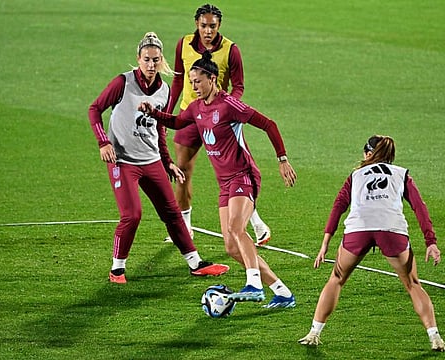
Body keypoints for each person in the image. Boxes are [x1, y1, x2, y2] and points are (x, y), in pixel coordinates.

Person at [138, 51, 297, 307]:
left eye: (198, 82)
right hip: (224, 183)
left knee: (237, 229)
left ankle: (254, 284)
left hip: (243, 176)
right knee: (232, 248)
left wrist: (282, 159)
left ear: (212, 79)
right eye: (191, 83)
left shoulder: (229, 105)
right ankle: (282, 292)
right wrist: (154, 113)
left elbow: (269, 124)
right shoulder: (196, 108)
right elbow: (178, 122)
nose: (194, 87)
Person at [88, 32, 229, 284]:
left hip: (151, 159)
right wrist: (103, 142)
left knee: (172, 213)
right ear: (138, 59)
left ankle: (196, 264)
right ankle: (117, 269)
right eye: (146, 59)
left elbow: (159, 130)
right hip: (122, 160)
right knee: (132, 215)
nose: (151, 65)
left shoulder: (164, 91)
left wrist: (168, 163)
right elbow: (94, 109)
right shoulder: (123, 82)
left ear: (161, 59)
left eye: (155, 60)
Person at [298, 135, 444, 352]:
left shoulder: (355, 175)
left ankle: (314, 333)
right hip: (392, 230)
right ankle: (435, 337)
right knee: (413, 284)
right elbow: (419, 207)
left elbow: (339, 205)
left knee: (337, 279)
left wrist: (325, 242)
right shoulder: (401, 174)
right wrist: (430, 241)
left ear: (368, 154)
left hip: (359, 229)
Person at [164, 3, 271, 245]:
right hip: (190, 116)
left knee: (233, 173)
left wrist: (228, 109)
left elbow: (239, 86)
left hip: (220, 119)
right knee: (182, 171)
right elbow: (178, 83)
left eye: (212, 26)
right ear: (196, 25)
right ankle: (185, 228)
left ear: (219, 26)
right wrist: (167, 114)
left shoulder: (231, 49)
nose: (208, 30)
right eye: (204, 25)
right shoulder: (183, 44)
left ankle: (256, 223)